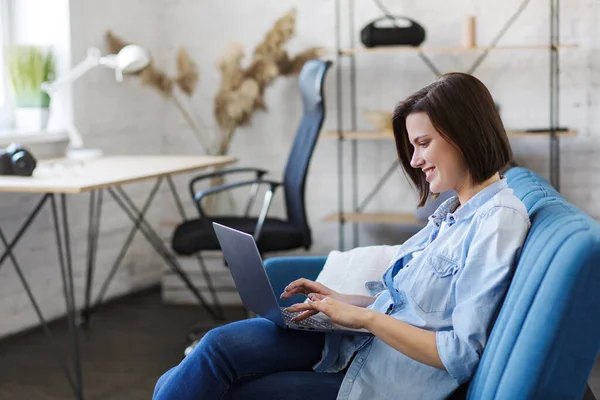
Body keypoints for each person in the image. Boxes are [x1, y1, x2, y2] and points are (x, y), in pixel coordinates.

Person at [152, 72, 531, 400]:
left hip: (385, 382)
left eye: (423, 143)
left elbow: (460, 353)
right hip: (356, 346)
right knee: (212, 350)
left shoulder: (497, 221)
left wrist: (364, 319)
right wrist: (343, 302)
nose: (414, 161)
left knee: (221, 389)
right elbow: (418, 309)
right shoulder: (452, 213)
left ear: (464, 133)